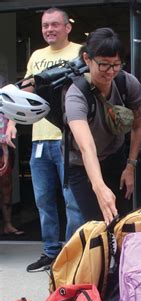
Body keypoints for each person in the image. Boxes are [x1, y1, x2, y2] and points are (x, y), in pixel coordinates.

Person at [5, 8, 84, 272]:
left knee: (72, 201)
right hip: (40, 141)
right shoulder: (37, 56)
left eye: (54, 25)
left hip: (69, 139)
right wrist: (12, 124)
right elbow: (24, 93)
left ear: (67, 27)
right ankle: (51, 252)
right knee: (44, 201)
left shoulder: (79, 51)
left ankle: (72, 256)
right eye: (45, 26)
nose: (49, 29)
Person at [65, 27, 141, 224]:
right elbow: (87, 147)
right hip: (81, 165)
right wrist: (99, 187)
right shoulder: (76, 95)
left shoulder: (127, 83)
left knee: (121, 222)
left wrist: (130, 166)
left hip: (115, 157)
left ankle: (120, 256)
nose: (110, 72)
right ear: (87, 59)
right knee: (96, 225)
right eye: (103, 65)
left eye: (116, 64)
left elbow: (138, 125)